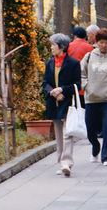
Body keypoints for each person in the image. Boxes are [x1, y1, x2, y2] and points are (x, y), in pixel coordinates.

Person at [81, 27, 107, 165]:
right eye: (101, 42)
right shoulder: (89, 56)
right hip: (91, 98)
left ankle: (106, 156)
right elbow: (81, 74)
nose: (104, 45)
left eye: (106, 42)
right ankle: (95, 146)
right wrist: (86, 86)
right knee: (90, 127)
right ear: (96, 42)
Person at [43, 33, 82, 176]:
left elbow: (78, 84)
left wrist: (62, 90)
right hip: (53, 102)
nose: (51, 47)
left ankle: (67, 162)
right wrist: (53, 92)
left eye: (53, 45)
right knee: (58, 134)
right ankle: (60, 161)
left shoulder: (73, 63)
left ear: (61, 47)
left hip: (67, 102)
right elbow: (45, 83)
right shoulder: (49, 63)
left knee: (67, 133)